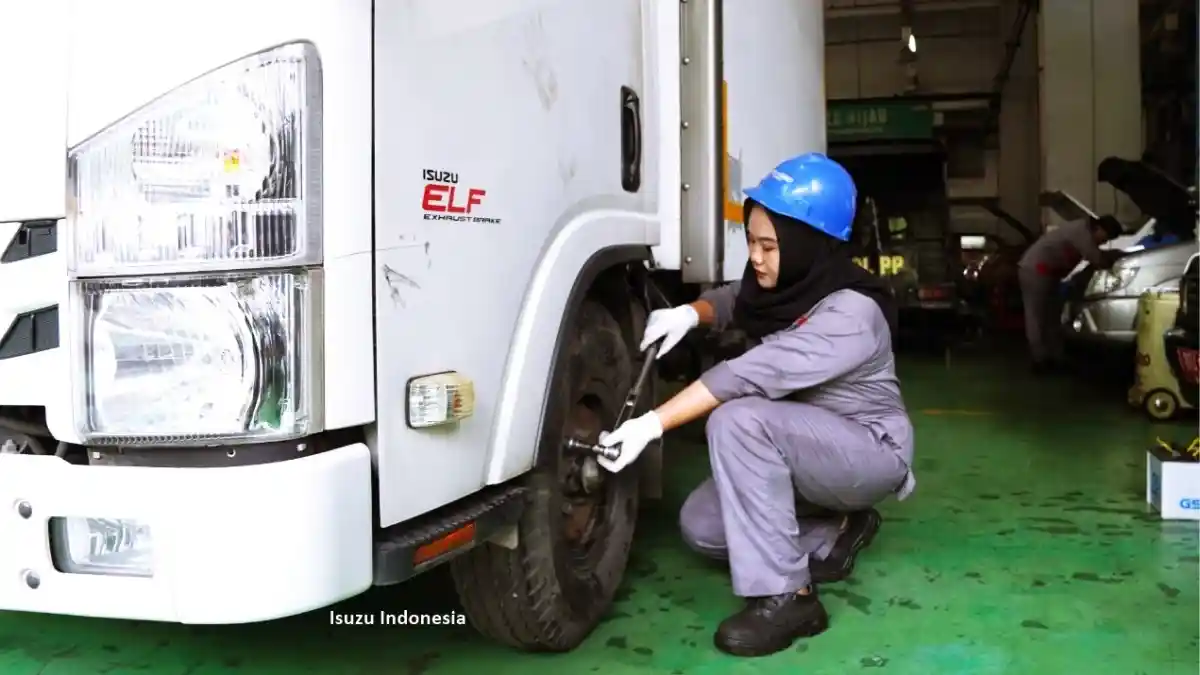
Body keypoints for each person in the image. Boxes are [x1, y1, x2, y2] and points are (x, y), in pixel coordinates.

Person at [595, 153, 916, 657]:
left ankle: (791, 597)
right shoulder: (786, 286)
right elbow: (735, 299)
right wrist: (689, 313)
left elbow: (743, 376)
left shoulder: (851, 313)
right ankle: (836, 529)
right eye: (752, 241)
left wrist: (650, 424)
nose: (757, 257)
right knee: (701, 527)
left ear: (810, 244)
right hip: (805, 450)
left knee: (738, 419)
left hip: (867, 452)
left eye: (770, 245)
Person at [1017, 214, 1122, 373]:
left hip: (1048, 274)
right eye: (1106, 238)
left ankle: (1052, 357)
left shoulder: (1082, 230)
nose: (1104, 242)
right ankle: (1039, 360)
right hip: (1035, 271)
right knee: (1037, 316)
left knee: (1051, 316)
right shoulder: (1081, 231)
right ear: (1099, 228)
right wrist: (1117, 258)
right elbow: (1096, 258)